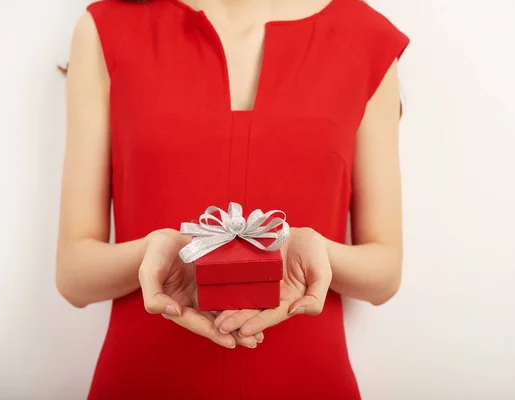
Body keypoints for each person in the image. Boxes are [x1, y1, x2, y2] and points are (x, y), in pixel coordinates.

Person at [56, 0, 409, 398]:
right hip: (145, 381)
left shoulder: (364, 36)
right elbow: (73, 274)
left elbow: (384, 272)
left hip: (306, 382)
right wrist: (161, 252)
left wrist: (312, 251)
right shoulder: (106, 29)